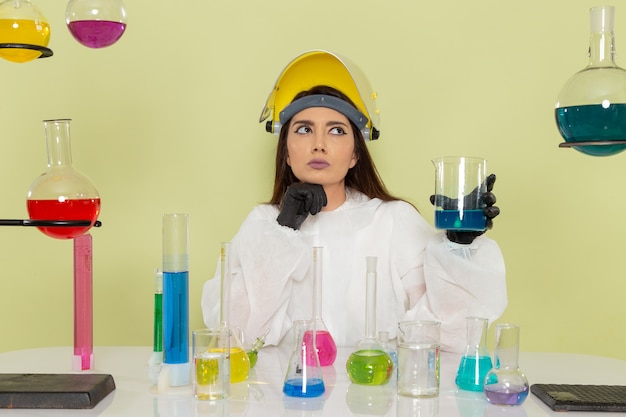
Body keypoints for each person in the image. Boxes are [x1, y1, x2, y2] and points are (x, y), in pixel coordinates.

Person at [202, 53, 506, 353]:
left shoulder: (392, 221)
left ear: (354, 155)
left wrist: (459, 248)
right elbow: (234, 337)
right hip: (287, 396)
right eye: (304, 129)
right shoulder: (262, 223)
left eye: (336, 130)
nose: (319, 144)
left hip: (374, 397)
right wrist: (284, 229)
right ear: (286, 152)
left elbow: (450, 336)